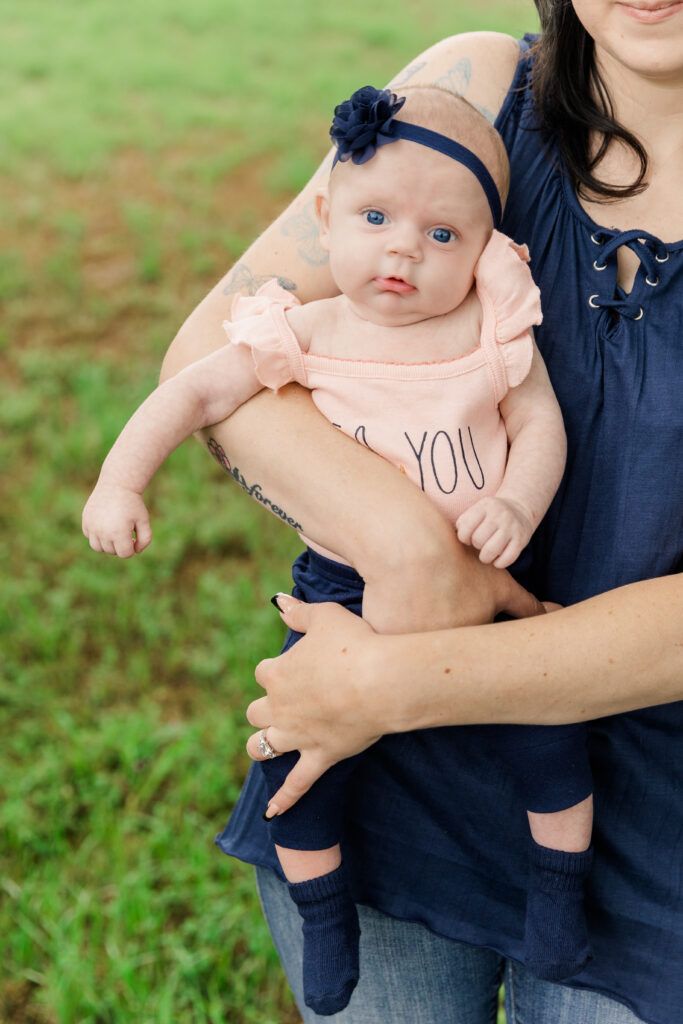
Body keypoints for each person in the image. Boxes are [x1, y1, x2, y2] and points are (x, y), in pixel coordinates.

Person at [158, 3, 683, 1023]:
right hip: (384, 780)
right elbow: (209, 363)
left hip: (650, 838)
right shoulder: (474, 92)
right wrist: (406, 548)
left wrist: (395, 679)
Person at [82, 80, 599, 1012]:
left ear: (487, 253)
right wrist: (121, 480)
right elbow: (191, 396)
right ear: (325, 217)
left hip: (494, 583)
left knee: (551, 742)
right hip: (343, 595)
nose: (403, 248)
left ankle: (557, 899)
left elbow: (541, 426)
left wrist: (517, 506)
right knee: (296, 763)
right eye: (374, 216)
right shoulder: (304, 330)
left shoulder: (489, 332)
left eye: (443, 237)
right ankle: (326, 912)